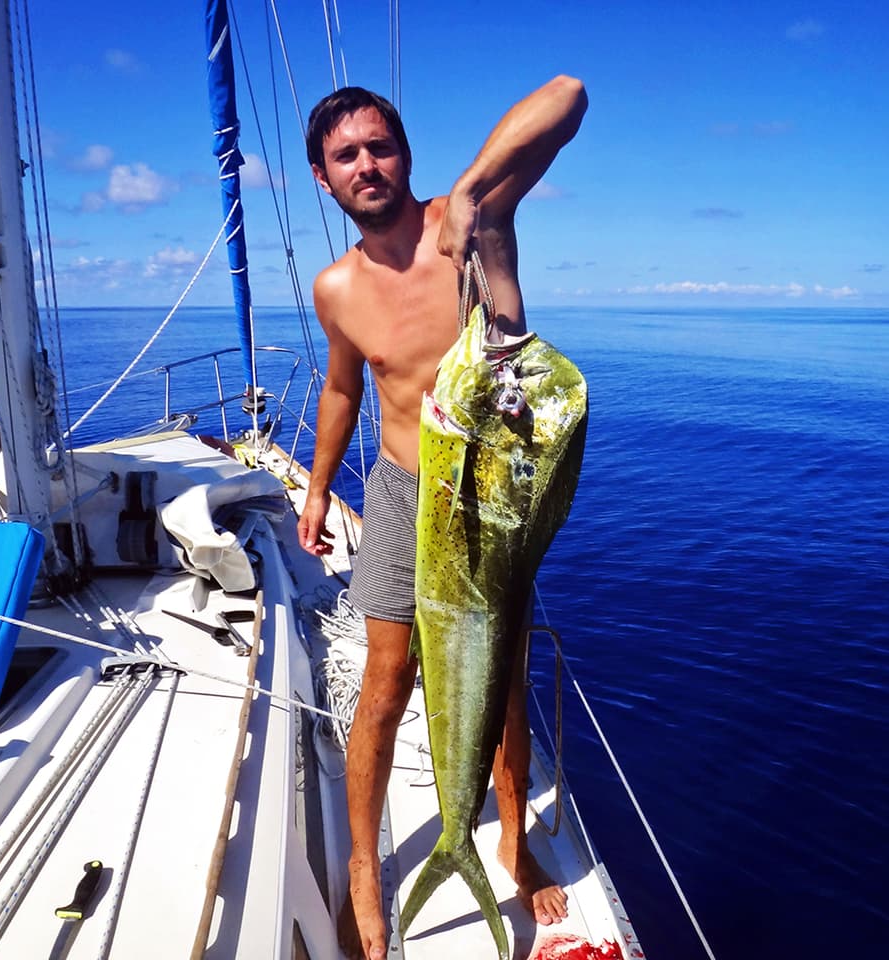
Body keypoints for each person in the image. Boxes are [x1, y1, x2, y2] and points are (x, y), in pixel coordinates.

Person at [296, 76, 588, 960]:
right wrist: (314, 488)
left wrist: (470, 191)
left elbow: (568, 98)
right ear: (322, 179)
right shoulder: (335, 288)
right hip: (396, 489)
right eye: (346, 155)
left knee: (499, 678)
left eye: (379, 145)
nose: (366, 165)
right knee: (384, 689)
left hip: (485, 494)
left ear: (406, 152)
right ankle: (361, 869)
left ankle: (511, 838)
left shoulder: (463, 230)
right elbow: (345, 385)